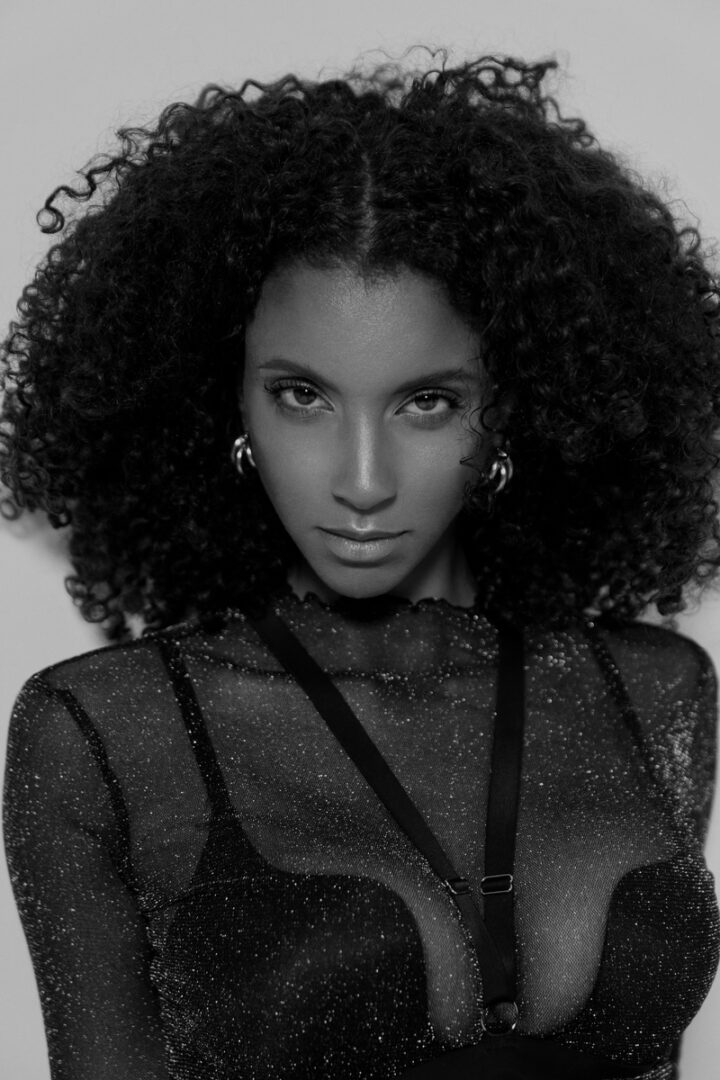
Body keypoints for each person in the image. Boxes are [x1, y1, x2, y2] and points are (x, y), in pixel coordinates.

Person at [1, 47, 719, 1080]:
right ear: (227, 401)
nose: (363, 480)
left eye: (427, 401)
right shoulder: (106, 730)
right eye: (303, 396)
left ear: (512, 407)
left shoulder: (651, 692)